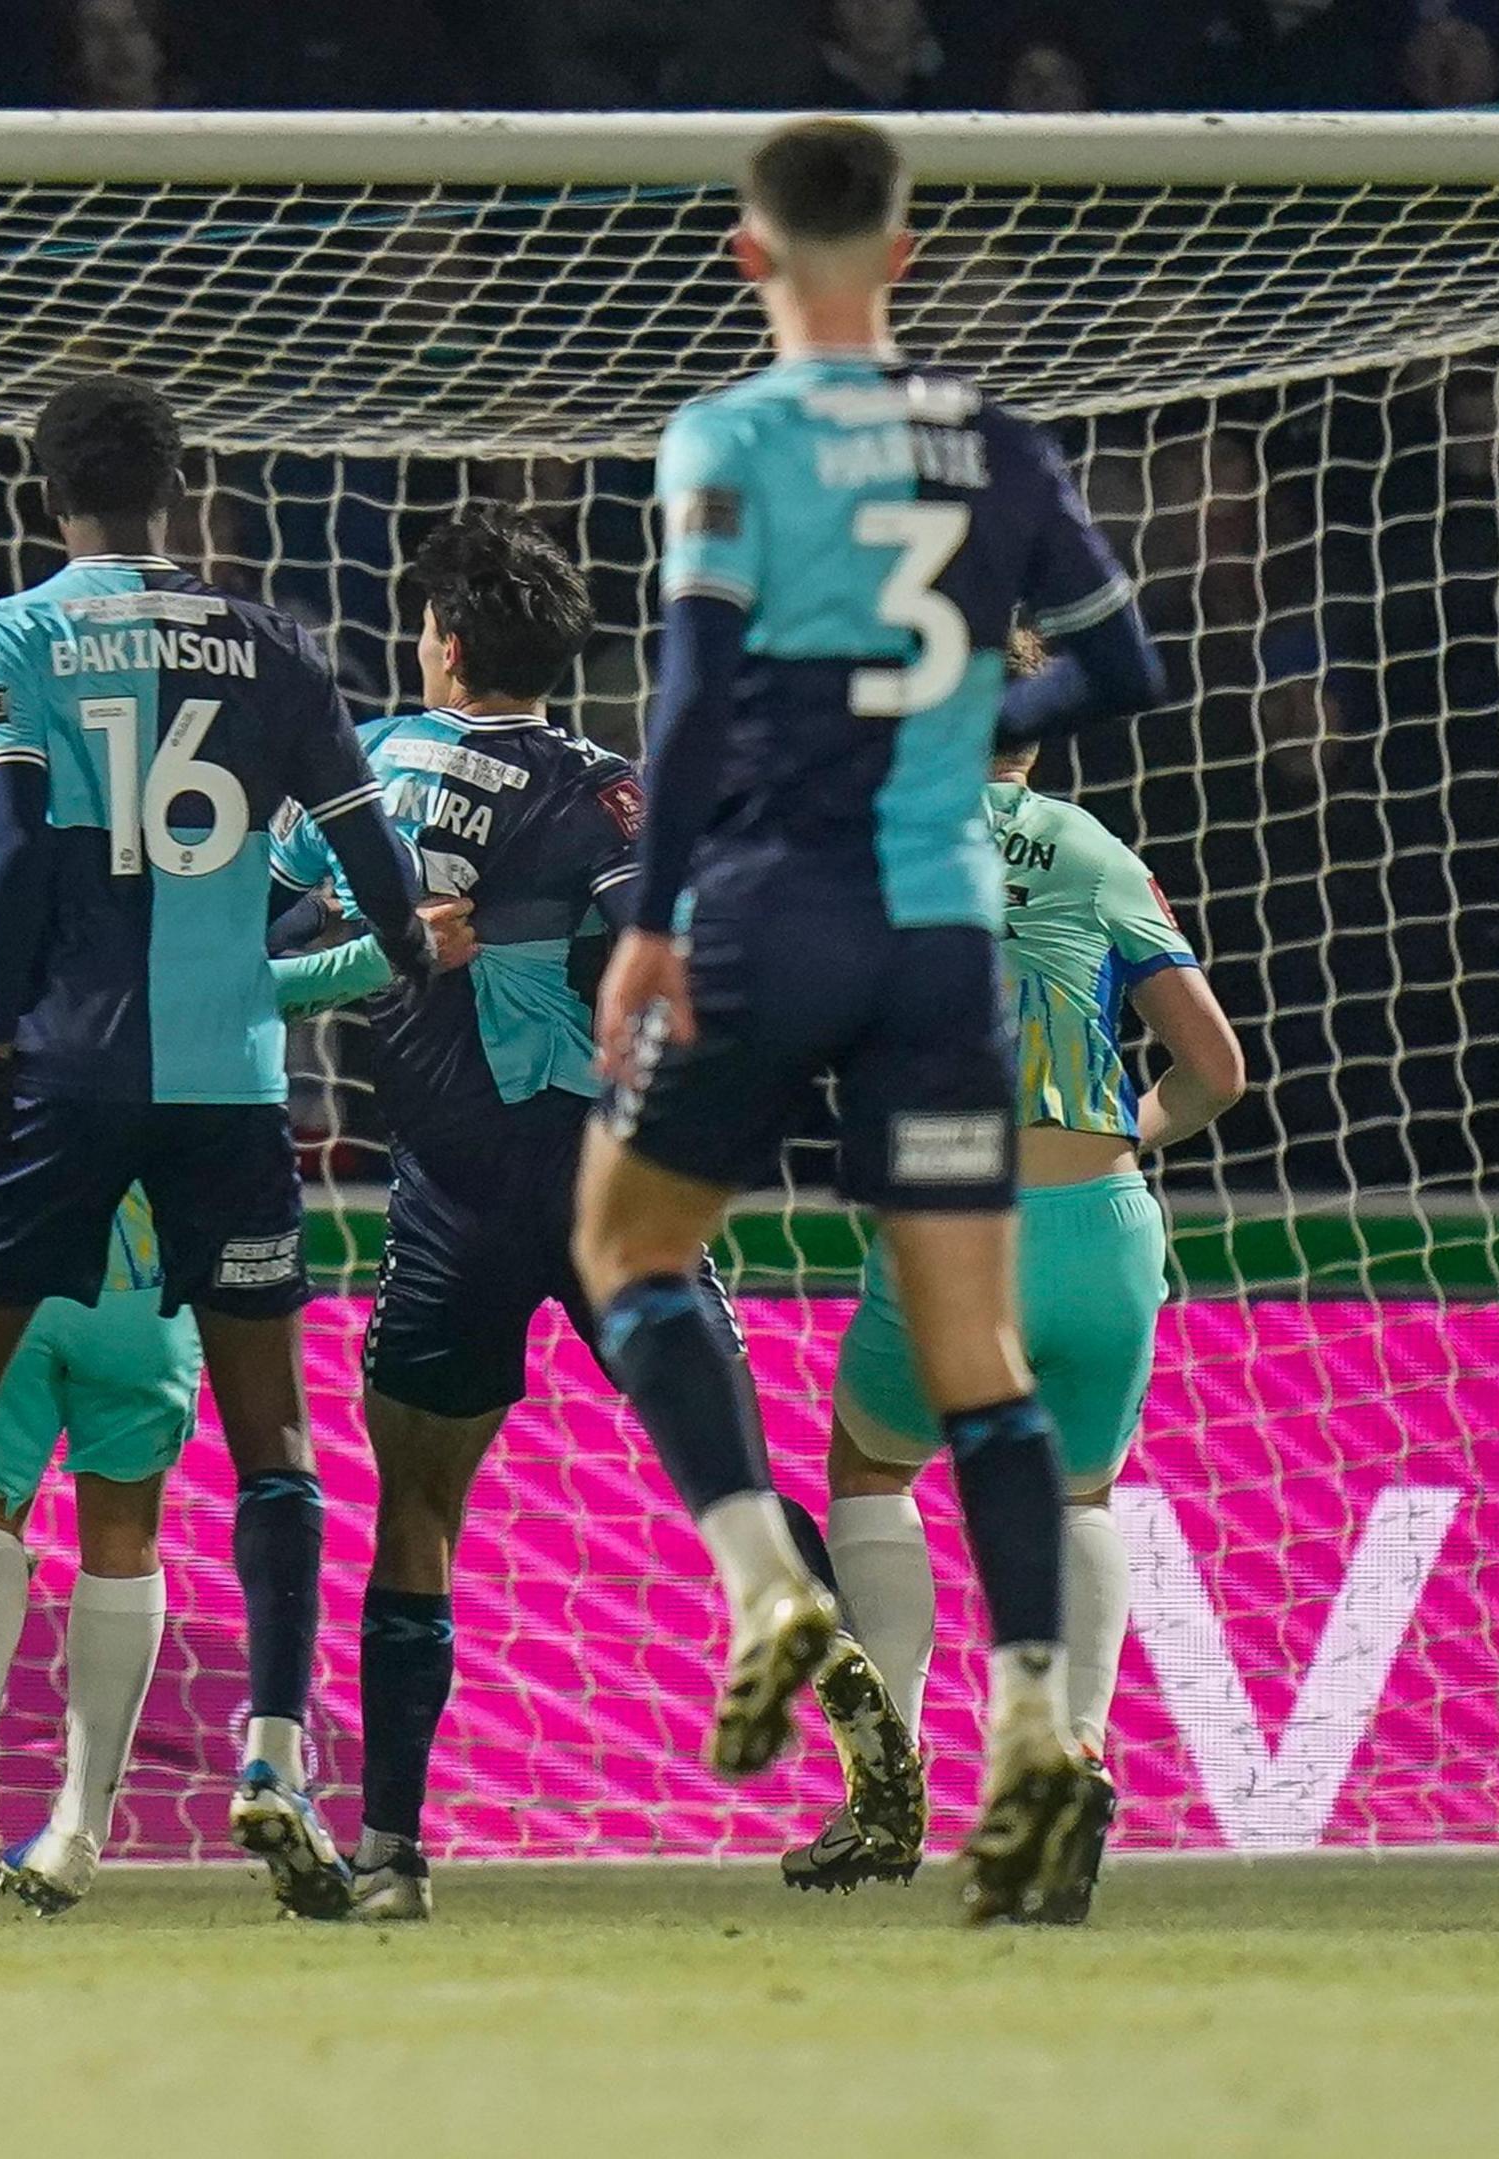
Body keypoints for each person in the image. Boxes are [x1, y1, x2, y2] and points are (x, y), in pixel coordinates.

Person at [571, 118, 1164, 1924]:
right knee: (976, 1362)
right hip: (937, 944)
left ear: (752, 256)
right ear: (905, 254)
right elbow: (1126, 667)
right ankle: (1044, 1727)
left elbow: (685, 696)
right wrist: (984, 701)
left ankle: (770, 1581)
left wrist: (653, 919)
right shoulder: (996, 440)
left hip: (768, 907)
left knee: (625, 1240)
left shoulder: (731, 436)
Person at [0, 372, 439, 1922]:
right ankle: (275, 1752)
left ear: (42, 491)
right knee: (270, 1433)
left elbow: (7, 846)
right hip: (226, 1081)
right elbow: (363, 851)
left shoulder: (8, 634)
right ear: (179, 487)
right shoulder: (273, 641)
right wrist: (406, 945)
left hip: (65, 1068)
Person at [263, 503, 926, 1923]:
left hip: (447, 1191)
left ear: (440, 640)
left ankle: (389, 1852)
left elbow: (257, 945)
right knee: (731, 1487)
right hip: (612, 1185)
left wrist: (382, 944)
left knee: (419, 1513)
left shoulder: (363, 771)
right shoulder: (614, 790)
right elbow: (684, 959)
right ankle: (877, 1754)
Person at [0, 769, 471, 1917]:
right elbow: (246, 989)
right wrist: (383, 956)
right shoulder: (189, 827)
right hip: (149, 1245)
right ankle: (79, 1828)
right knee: (123, 1527)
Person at [783, 728, 1243, 1920]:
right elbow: (1219, 1068)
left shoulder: (884, 841)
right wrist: (1130, 1130)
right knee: (1081, 1494)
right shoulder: (1095, 849)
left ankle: (886, 1774)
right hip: (1104, 1222)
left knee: (875, 1465)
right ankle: (1071, 1757)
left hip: (959, 1211)